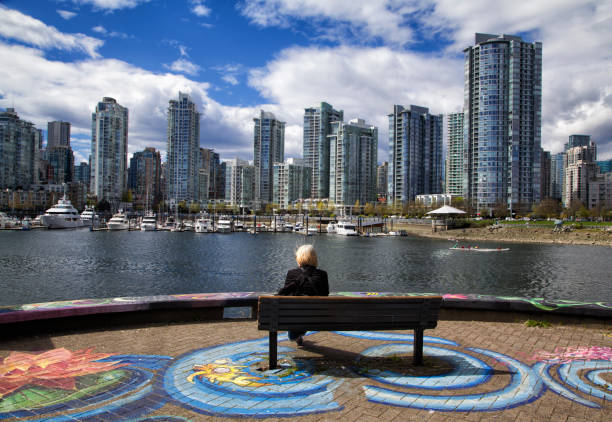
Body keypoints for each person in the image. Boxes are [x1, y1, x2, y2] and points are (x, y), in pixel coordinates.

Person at [277, 244, 329, 346]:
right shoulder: (323, 274)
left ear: (299, 257)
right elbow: (325, 295)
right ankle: (300, 331)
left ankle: (298, 334)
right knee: (306, 315)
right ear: (314, 258)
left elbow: (285, 295)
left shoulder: (291, 273)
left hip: (295, 316)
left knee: (292, 336)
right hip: (317, 318)